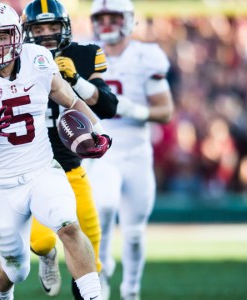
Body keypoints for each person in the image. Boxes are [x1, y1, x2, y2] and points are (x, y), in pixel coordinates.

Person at [0, 3, 111, 300]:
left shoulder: (38, 59)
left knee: (69, 225)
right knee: (14, 268)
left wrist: (97, 131)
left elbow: (70, 101)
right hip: (1, 186)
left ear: (17, 35)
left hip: (42, 171)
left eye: (1, 36)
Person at [21, 0, 119, 298]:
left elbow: (107, 106)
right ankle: (47, 258)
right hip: (34, 166)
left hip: (71, 165)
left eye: (53, 27)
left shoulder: (84, 55)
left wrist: (75, 80)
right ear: (28, 31)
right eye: (40, 28)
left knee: (90, 243)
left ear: (65, 28)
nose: (48, 34)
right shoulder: (19, 59)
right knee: (42, 242)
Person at [86, 1, 174, 299]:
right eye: (102, 17)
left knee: (135, 234)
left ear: (128, 20)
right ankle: (103, 268)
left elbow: (165, 111)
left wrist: (135, 110)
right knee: (105, 205)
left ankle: (131, 291)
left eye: (113, 17)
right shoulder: (84, 53)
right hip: (101, 151)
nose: (107, 23)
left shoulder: (146, 56)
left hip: (136, 152)